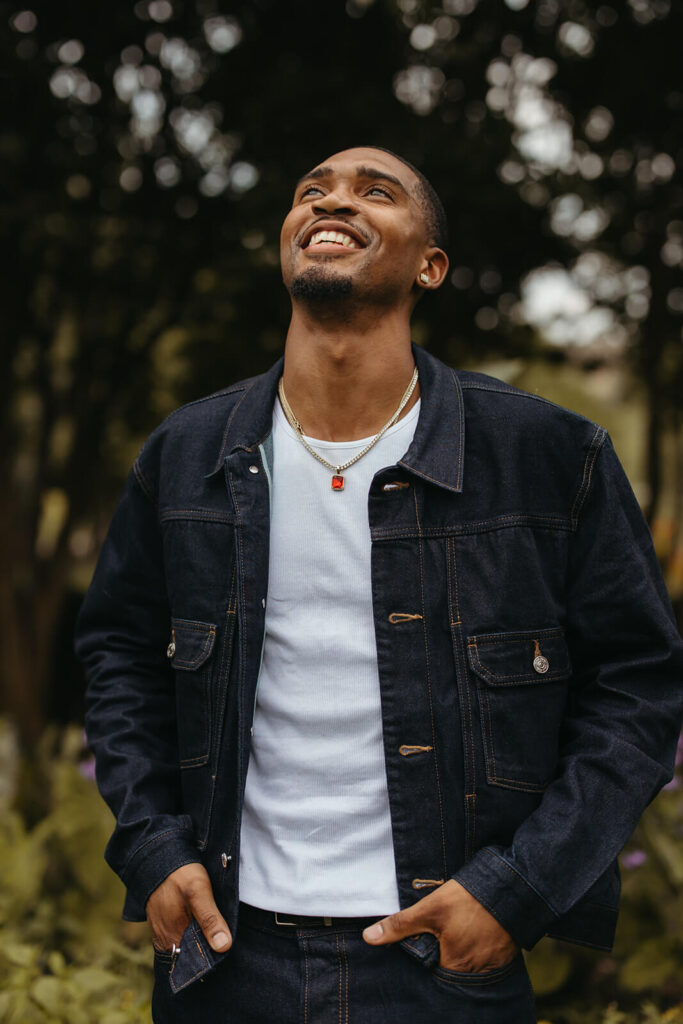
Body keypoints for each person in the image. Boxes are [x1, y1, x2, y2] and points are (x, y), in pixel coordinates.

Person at [75, 147, 683, 1024]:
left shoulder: (546, 457)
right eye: (311, 192)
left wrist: (516, 892)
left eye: (376, 192)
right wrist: (155, 849)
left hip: (442, 961)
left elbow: (637, 685)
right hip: (224, 957)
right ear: (288, 243)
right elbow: (118, 657)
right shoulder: (187, 455)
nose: (333, 200)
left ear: (429, 264)